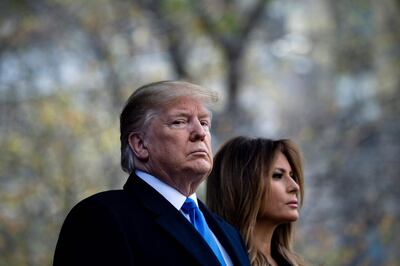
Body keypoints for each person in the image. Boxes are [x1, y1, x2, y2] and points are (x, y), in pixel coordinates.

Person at [53, 81, 250, 266]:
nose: (200, 132)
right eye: (179, 122)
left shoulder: (229, 233)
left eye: (204, 123)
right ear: (140, 145)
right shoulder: (101, 217)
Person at [206, 136, 306, 266]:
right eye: (277, 175)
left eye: (292, 176)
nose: (295, 187)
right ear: (243, 186)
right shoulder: (217, 259)